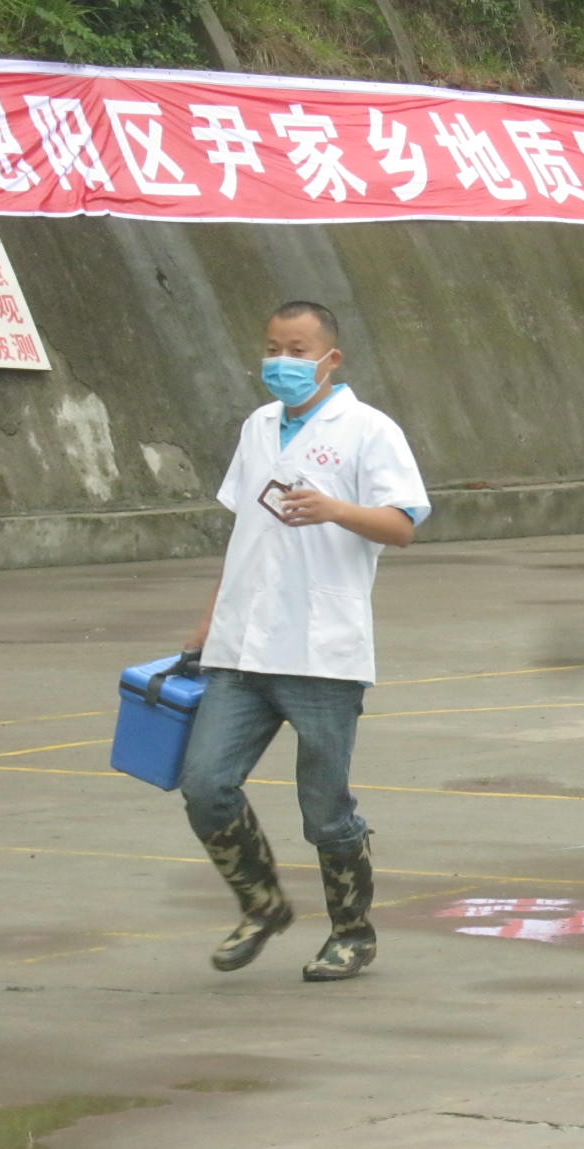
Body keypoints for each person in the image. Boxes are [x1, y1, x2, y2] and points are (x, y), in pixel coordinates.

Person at [180, 301, 430, 981]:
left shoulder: (369, 430)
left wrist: (335, 509)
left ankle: (352, 933)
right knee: (205, 785)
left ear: (330, 359)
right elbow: (246, 535)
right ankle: (262, 904)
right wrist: (209, 621)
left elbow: (404, 526)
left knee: (324, 810)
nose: (281, 362)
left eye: (297, 350)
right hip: (241, 647)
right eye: (272, 348)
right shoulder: (258, 426)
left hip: (321, 651)